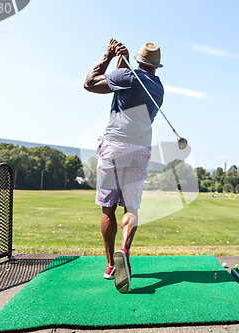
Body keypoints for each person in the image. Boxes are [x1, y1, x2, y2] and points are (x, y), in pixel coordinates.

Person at [83, 39, 164, 293]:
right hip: (140, 150)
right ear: (156, 67)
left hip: (114, 147)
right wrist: (123, 60)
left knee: (108, 209)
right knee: (131, 207)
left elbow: (90, 83)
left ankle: (110, 265)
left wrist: (108, 55)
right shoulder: (158, 87)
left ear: (139, 62)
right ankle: (124, 252)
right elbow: (122, 83)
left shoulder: (128, 75)